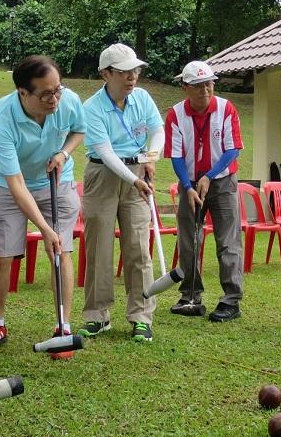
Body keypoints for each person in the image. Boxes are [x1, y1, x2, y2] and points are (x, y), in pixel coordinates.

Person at [0, 55, 85, 360]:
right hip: (11, 186)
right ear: (23, 93)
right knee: (2, 256)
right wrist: (44, 228)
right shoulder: (2, 116)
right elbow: (16, 184)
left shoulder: (68, 100)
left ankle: (62, 327)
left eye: (58, 90)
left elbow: (78, 130)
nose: (54, 99)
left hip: (57, 181)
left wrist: (64, 153)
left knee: (60, 251)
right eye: (45, 94)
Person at [77, 43, 164, 342]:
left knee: (139, 246)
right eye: (124, 72)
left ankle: (141, 316)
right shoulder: (91, 108)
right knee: (99, 246)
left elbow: (158, 130)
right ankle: (97, 316)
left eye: (135, 70)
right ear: (106, 73)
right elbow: (106, 152)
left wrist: (152, 157)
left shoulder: (142, 98)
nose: (132, 77)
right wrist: (135, 179)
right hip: (103, 174)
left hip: (138, 171)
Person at [164, 60, 244, 321]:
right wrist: (187, 186)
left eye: (209, 84)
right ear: (185, 87)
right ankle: (190, 295)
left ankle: (231, 300)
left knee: (228, 241)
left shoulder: (226, 108)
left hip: (222, 181)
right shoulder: (176, 114)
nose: (205, 90)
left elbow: (232, 149)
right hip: (189, 182)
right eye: (198, 86)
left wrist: (209, 176)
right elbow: (176, 155)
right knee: (188, 240)